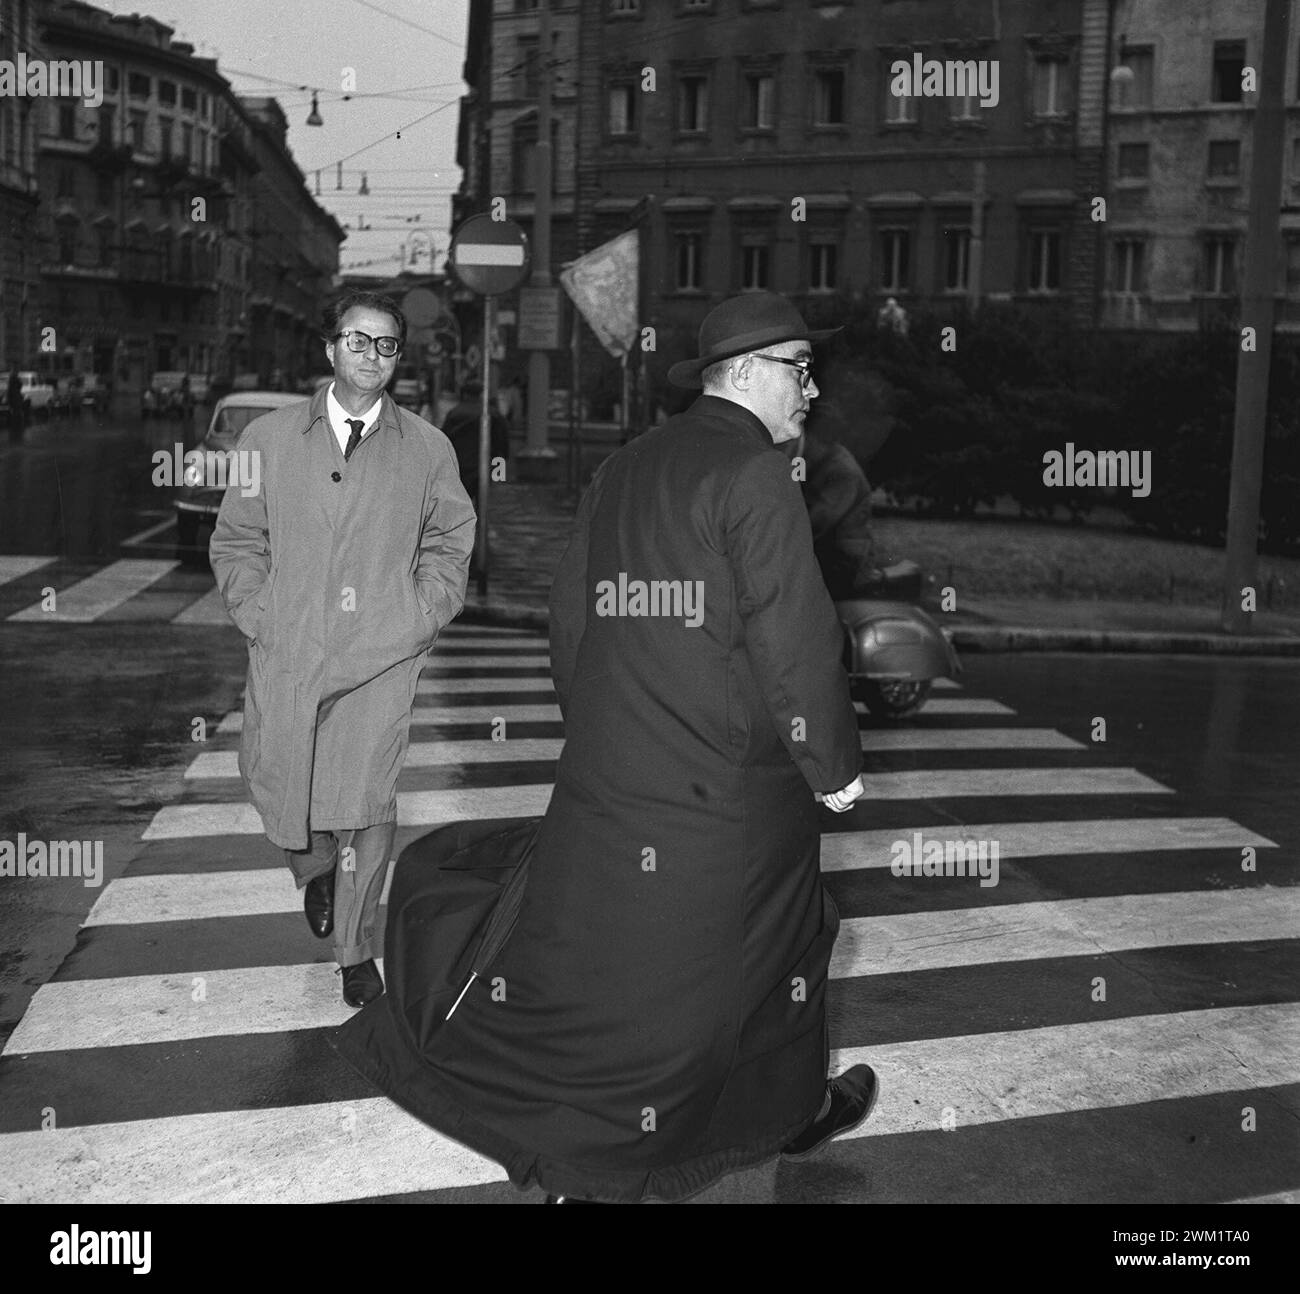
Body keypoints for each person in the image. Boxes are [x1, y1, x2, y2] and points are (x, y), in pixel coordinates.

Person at [336, 291, 875, 1202]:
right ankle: (667, 1140)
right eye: (799, 368)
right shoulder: (755, 476)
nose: (812, 390)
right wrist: (834, 768)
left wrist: (600, 730)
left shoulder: (628, 467)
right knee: (769, 948)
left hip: (622, 774)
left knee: (676, 958)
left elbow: (572, 619)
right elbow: (796, 637)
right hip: (733, 791)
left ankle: (789, 1110)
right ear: (744, 375)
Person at [209, 291, 476, 1007]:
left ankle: (356, 950)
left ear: (398, 360)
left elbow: (452, 542)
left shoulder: (427, 448)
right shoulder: (265, 440)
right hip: (289, 647)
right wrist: (257, 611)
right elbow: (237, 539)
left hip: (380, 656)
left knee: (367, 803)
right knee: (277, 778)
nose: (372, 355)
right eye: (358, 341)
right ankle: (314, 866)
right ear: (330, 349)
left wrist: (421, 613)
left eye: (387, 345)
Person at [786, 427, 880, 600]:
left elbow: (813, 525)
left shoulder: (840, 471)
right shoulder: (806, 462)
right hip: (820, 557)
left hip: (845, 565)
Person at [440, 379, 510, 498]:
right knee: (483, 500)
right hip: (485, 464)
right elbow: (502, 442)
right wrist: (500, 472)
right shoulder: (492, 413)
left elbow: (444, 440)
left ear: (465, 394)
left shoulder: (455, 413)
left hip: (460, 465)